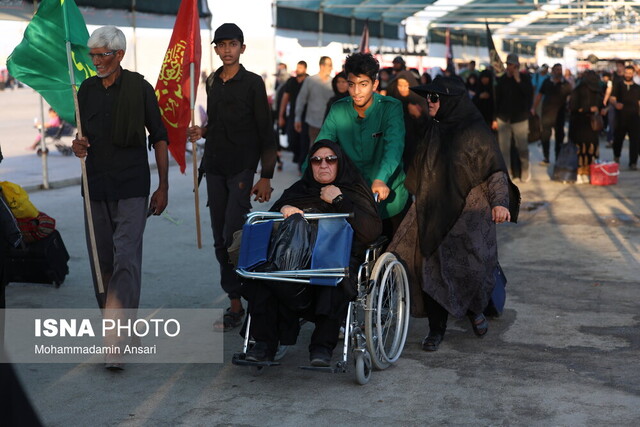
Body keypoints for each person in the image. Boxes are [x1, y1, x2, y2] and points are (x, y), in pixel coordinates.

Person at [406, 76, 520, 351]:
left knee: (472, 266)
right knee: (432, 270)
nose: (429, 102)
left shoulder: (475, 130)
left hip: (471, 213)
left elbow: (494, 168)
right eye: (428, 98)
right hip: (434, 210)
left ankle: (475, 309)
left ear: (451, 101)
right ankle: (436, 330)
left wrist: (500, 202)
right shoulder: (433, 128)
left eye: (435, 98)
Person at [242, 140, 382, 365]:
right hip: (292, 259)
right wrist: (284, 210)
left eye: (330, 159)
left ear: (340, 163)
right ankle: (264, 343)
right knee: (264, 276)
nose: (323, 165)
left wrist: (339, 200)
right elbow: (270, 220)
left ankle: (322, 347)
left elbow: (371, 232)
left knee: (331, 275)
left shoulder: (353, 190)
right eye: (316, 160)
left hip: (337, 257)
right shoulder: (300, 189)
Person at [72, 26, 168, 311]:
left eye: (103, 55)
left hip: (131, 188)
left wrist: (163, 186)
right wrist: (77, 146)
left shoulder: (140, 88)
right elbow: (82, 137)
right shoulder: (86, 90)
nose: (96, 61)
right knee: (101, 263)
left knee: (124, 259)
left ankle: (118, 335)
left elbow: (160, 137)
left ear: (120, 54)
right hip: (95, 187)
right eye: (93, 56)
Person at [187, 23, 276, 331]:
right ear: (215, 49)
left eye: (232, 44)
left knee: (233, 235)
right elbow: (216, 121)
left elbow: (266, 130)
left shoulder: (253, 83)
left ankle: (256, 296)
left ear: (242, 48)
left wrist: (266, 175)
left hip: (242, 166)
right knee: (218, 238)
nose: (226, 50)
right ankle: (235, 303)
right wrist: (202, 131)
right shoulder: (213, 81)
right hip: (214, 164)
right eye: (221, 45)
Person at [317, 52, 408, 238]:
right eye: (352, 85)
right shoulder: (338, 109)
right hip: (352, 198)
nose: (356, 92)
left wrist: (381, 178)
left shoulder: (391, 107)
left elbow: (394, 148)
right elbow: (321, 146)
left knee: (396, 251)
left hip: (389, 199)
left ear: (374, 84)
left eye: (363, 84)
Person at [495, 53, 534, 182]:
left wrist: (518, 81)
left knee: (522, 147)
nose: (510, 67)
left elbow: (528, 95)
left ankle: (525, 170)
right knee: (504, 149)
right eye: (508, 65)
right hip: (503, 118)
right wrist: (495, 117)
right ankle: (506, 174)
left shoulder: (525, 78)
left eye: (512, 65)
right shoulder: (502, 80)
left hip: (520, 119)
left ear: (517, 66)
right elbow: (497, 99)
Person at [386, 70, 428, 172]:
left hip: (414, 150)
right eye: (400, 85)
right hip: (394, 148)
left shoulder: (419, 101)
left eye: (406, 85)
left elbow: (426, 128)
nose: (403, 89)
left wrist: (418, 116)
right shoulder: (391, 102)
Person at [531, 63, 572, 164]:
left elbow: (571, 98)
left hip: (560, 115)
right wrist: (533, 108)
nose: (559, 71)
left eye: (560, 69)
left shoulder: (566, 84)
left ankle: (558, 158)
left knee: (559, 137)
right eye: (557, 69)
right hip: (547, 114)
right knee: (545, 137)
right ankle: (546, 157)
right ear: (553, 71)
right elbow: (539, 95)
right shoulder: (547, 82)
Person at [568, 70, 604, 184]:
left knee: (586, 149)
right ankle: (581, 172)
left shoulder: (594, 91)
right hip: (582, 124)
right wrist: (589, 109)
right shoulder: (581, 90)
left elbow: (601, 105)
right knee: (583, 149)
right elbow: (573, 107)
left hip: (587, 125)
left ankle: (585, 172)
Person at [294, 56, 333, 149]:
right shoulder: (310, 80)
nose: (331, 68)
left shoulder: (333, 82)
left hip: (329, 123)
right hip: (313, 122)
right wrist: (297, 118)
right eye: (330, 65)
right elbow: (301, 99)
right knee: (314, 148)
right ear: (322, 66)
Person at [610, 65, 640, 170]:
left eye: (630, 73)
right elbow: (612, 98)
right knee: (618, 139)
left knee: (635, 141)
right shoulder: (618, 85)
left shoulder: (637, 87)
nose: (628, 75)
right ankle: (616, 156)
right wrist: (616, 104)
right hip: (621, 117)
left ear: (633, 74)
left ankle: (633, 163)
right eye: (626, 73)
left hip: (634, 118)